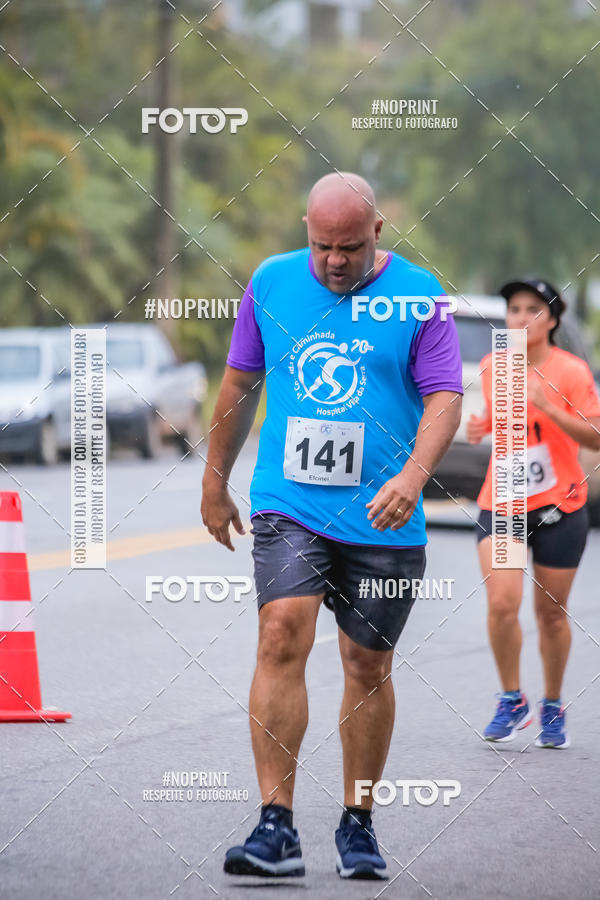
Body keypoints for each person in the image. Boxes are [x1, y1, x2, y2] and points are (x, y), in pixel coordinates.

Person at [201, 172, 463, 879]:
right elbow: (238, 384)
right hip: (291, 504)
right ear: (306, 233)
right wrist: (214, 481)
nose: (335, 261)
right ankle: (275, 826)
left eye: (349, 247)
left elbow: (445, 398)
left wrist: (412, 478)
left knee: (366, 665)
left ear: (377, 232)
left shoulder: (419, 294)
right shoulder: (272, 282)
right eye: (322, 247)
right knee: (281, 631)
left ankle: (358, 823)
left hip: (385, 511)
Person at [467, 279, 600, 749]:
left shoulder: (572, 370)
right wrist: (485, 425)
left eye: (533, 310)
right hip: (503, 499)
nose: (521, 318)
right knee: (503, 604)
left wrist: (548, 406)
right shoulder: (493, 366)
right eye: (514, 309)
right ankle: (511, 698)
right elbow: (507, 426)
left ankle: (553, 703)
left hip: (561, 504)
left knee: (550, 614)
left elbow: (594, 437)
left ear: (554, 320)